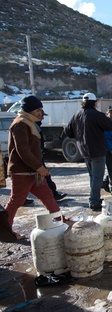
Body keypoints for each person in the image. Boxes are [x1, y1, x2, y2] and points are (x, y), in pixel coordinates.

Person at [4, 96, 61, 240]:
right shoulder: (20, 124)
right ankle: (4, 231)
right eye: (38, 110)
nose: (40, 113)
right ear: (30, 110)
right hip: (22, 172)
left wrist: (38, 168)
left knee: (48, 195)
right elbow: (23, 151)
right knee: (16, 201)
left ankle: (60, 221)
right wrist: (39, 167)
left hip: (33, 172)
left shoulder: (29, 123)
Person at [65, 93, 112, 211]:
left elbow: (67, 131)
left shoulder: (76, 115)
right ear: (94, 103)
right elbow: (110, 126)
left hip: (84, 151)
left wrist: (79, 136)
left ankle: (95, 198)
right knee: (97, 177)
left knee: (93, 177)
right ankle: (94, 201)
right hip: (97, 151)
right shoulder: (96, 115)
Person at [38, 109, 67, 201]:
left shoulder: (36, 126)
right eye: (41, 115)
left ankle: (52, 196)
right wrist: (38, 166)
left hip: (37, 158)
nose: (42, 118)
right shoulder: (31, 126)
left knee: (44, 181)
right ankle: (52, 195)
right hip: (35, 160)